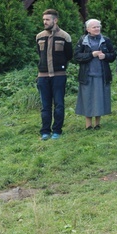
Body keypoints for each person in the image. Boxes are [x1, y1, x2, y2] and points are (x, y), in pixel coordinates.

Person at [36, 9, 73, 140]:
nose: (45, 22)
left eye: (47, 19)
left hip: (59, 76)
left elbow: (69, 55)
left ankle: (57, 130)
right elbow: (39, 55)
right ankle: (45, 131)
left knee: (59, 104)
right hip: (43, 77)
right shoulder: (39, 36)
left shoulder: (65, 36)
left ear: (55, 20)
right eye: (44, 20)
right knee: (45, 106)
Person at [74, 19, 117, 130]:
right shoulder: (82, 41)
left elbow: (113, 55)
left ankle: (97, 124)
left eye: (98, 26)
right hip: (87, 76)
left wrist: (105, 56)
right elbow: (77, 56)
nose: (97, 29)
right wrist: (91, 54)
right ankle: (88, 125)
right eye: (94, 27)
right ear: (88, 29)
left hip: (101, 75)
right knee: (87, 99)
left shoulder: (106, 40)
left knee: (99, 99)